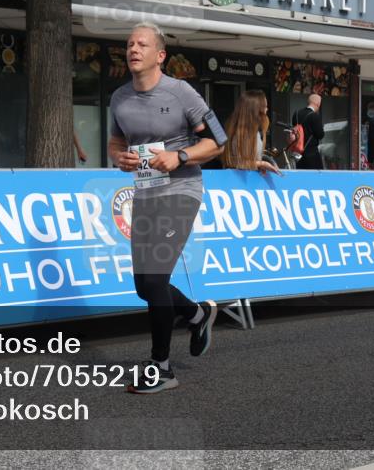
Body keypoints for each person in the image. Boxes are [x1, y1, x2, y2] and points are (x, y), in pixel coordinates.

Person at [108, 22, 226, 394]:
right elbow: (115, 141)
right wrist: (119, 158)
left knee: (156, 278)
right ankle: (197, 313)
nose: (133, 49)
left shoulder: (181, 92)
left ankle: (161, 367)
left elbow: (218, 142)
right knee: (144, 285)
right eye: (129, 44)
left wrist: (181, 155)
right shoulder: (119, 99)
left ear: (160, 55)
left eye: (142, 44)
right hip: (145, 193)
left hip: (182, 191)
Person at [222, 90, 280, 174]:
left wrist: (265, 162)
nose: (267, 110)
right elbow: (235, 162)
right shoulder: (240, 134)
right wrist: (262, 163)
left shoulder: (250, 131)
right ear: (256, 110)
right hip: (240, 183)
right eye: (265, 107)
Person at [292, 94, 325, 169]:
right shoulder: (314, 116)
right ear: (318, 104)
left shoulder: (296, 114)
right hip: (311, 153)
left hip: (298, 153)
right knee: (315, 177)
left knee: (301, 177)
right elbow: (320, 135)